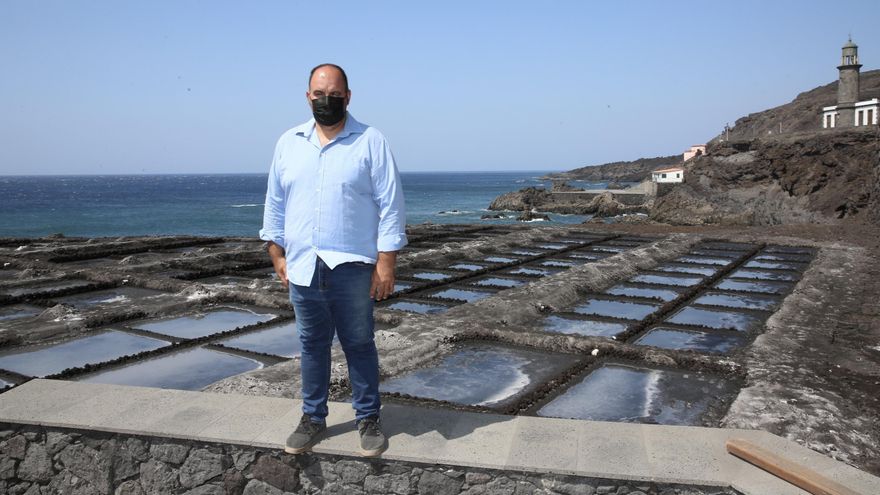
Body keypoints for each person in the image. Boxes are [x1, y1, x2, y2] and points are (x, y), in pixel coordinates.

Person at [259, 63, 407, 457]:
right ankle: (312, 417)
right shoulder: (288, 143)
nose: (327, 101)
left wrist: (386, 262)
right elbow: (275, 201)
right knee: (311, 345)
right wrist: (276, 252)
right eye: (320, 94)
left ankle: (368, 418)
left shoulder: (371, 140)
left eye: (335, 95)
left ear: (348, 96)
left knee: (359, 343)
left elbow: (391, 204)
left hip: (353, 265)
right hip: (303, 265)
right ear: (308, 97)